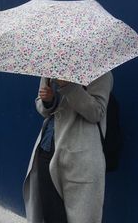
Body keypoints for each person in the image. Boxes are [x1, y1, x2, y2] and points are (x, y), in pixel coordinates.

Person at [23, 72, 113, 223]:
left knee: (80, 216)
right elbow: (42, 106)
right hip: (48, 146)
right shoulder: (52, 65)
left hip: (80, 155)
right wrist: (47, 101)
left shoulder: (100, 73)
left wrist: (68, 86)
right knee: (50, 213)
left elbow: (97, 112)